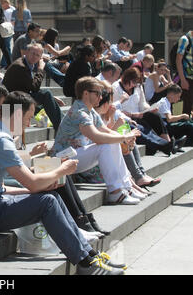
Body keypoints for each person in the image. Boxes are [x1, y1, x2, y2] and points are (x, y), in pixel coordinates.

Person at [0, 91, 126, 275]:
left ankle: (89, 255)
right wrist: (61, 170)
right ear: (18, 114)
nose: (28, 124)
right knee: (47, 201)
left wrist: (37, 189)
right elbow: (32, 183)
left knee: (50, 196)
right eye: (28, 118)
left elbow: (2, 187)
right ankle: (86, 263)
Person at [52, 76, 145, 205]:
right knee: (105, 145)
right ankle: (115, 192)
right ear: (85, 93)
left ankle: (126, 187)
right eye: (98, 93)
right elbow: (96, 136)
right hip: (62, 159)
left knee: (111, 143)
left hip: (75, 155)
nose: (101, 97)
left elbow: (106, 131)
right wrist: (124, 137)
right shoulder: (79, 112)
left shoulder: (90, 111)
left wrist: (124, 140)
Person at [3, 42, 64, 132]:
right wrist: (40, 69)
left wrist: (53, 98)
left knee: (48, 100)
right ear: (27, 52)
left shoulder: (27, 64)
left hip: (20, 98)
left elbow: (29, 87)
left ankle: (63, 124)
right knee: (46, 94)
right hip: (13, 102)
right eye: (33, 53)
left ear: (40, 57)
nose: (34, 57)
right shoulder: (20, 66)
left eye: (37, 55)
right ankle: (61, 128)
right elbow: (34, 87)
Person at [176, 30, 193, 115]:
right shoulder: (185, 39)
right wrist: (183, 80)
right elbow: (178, 60)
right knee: (186, 105)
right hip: (186, 78)